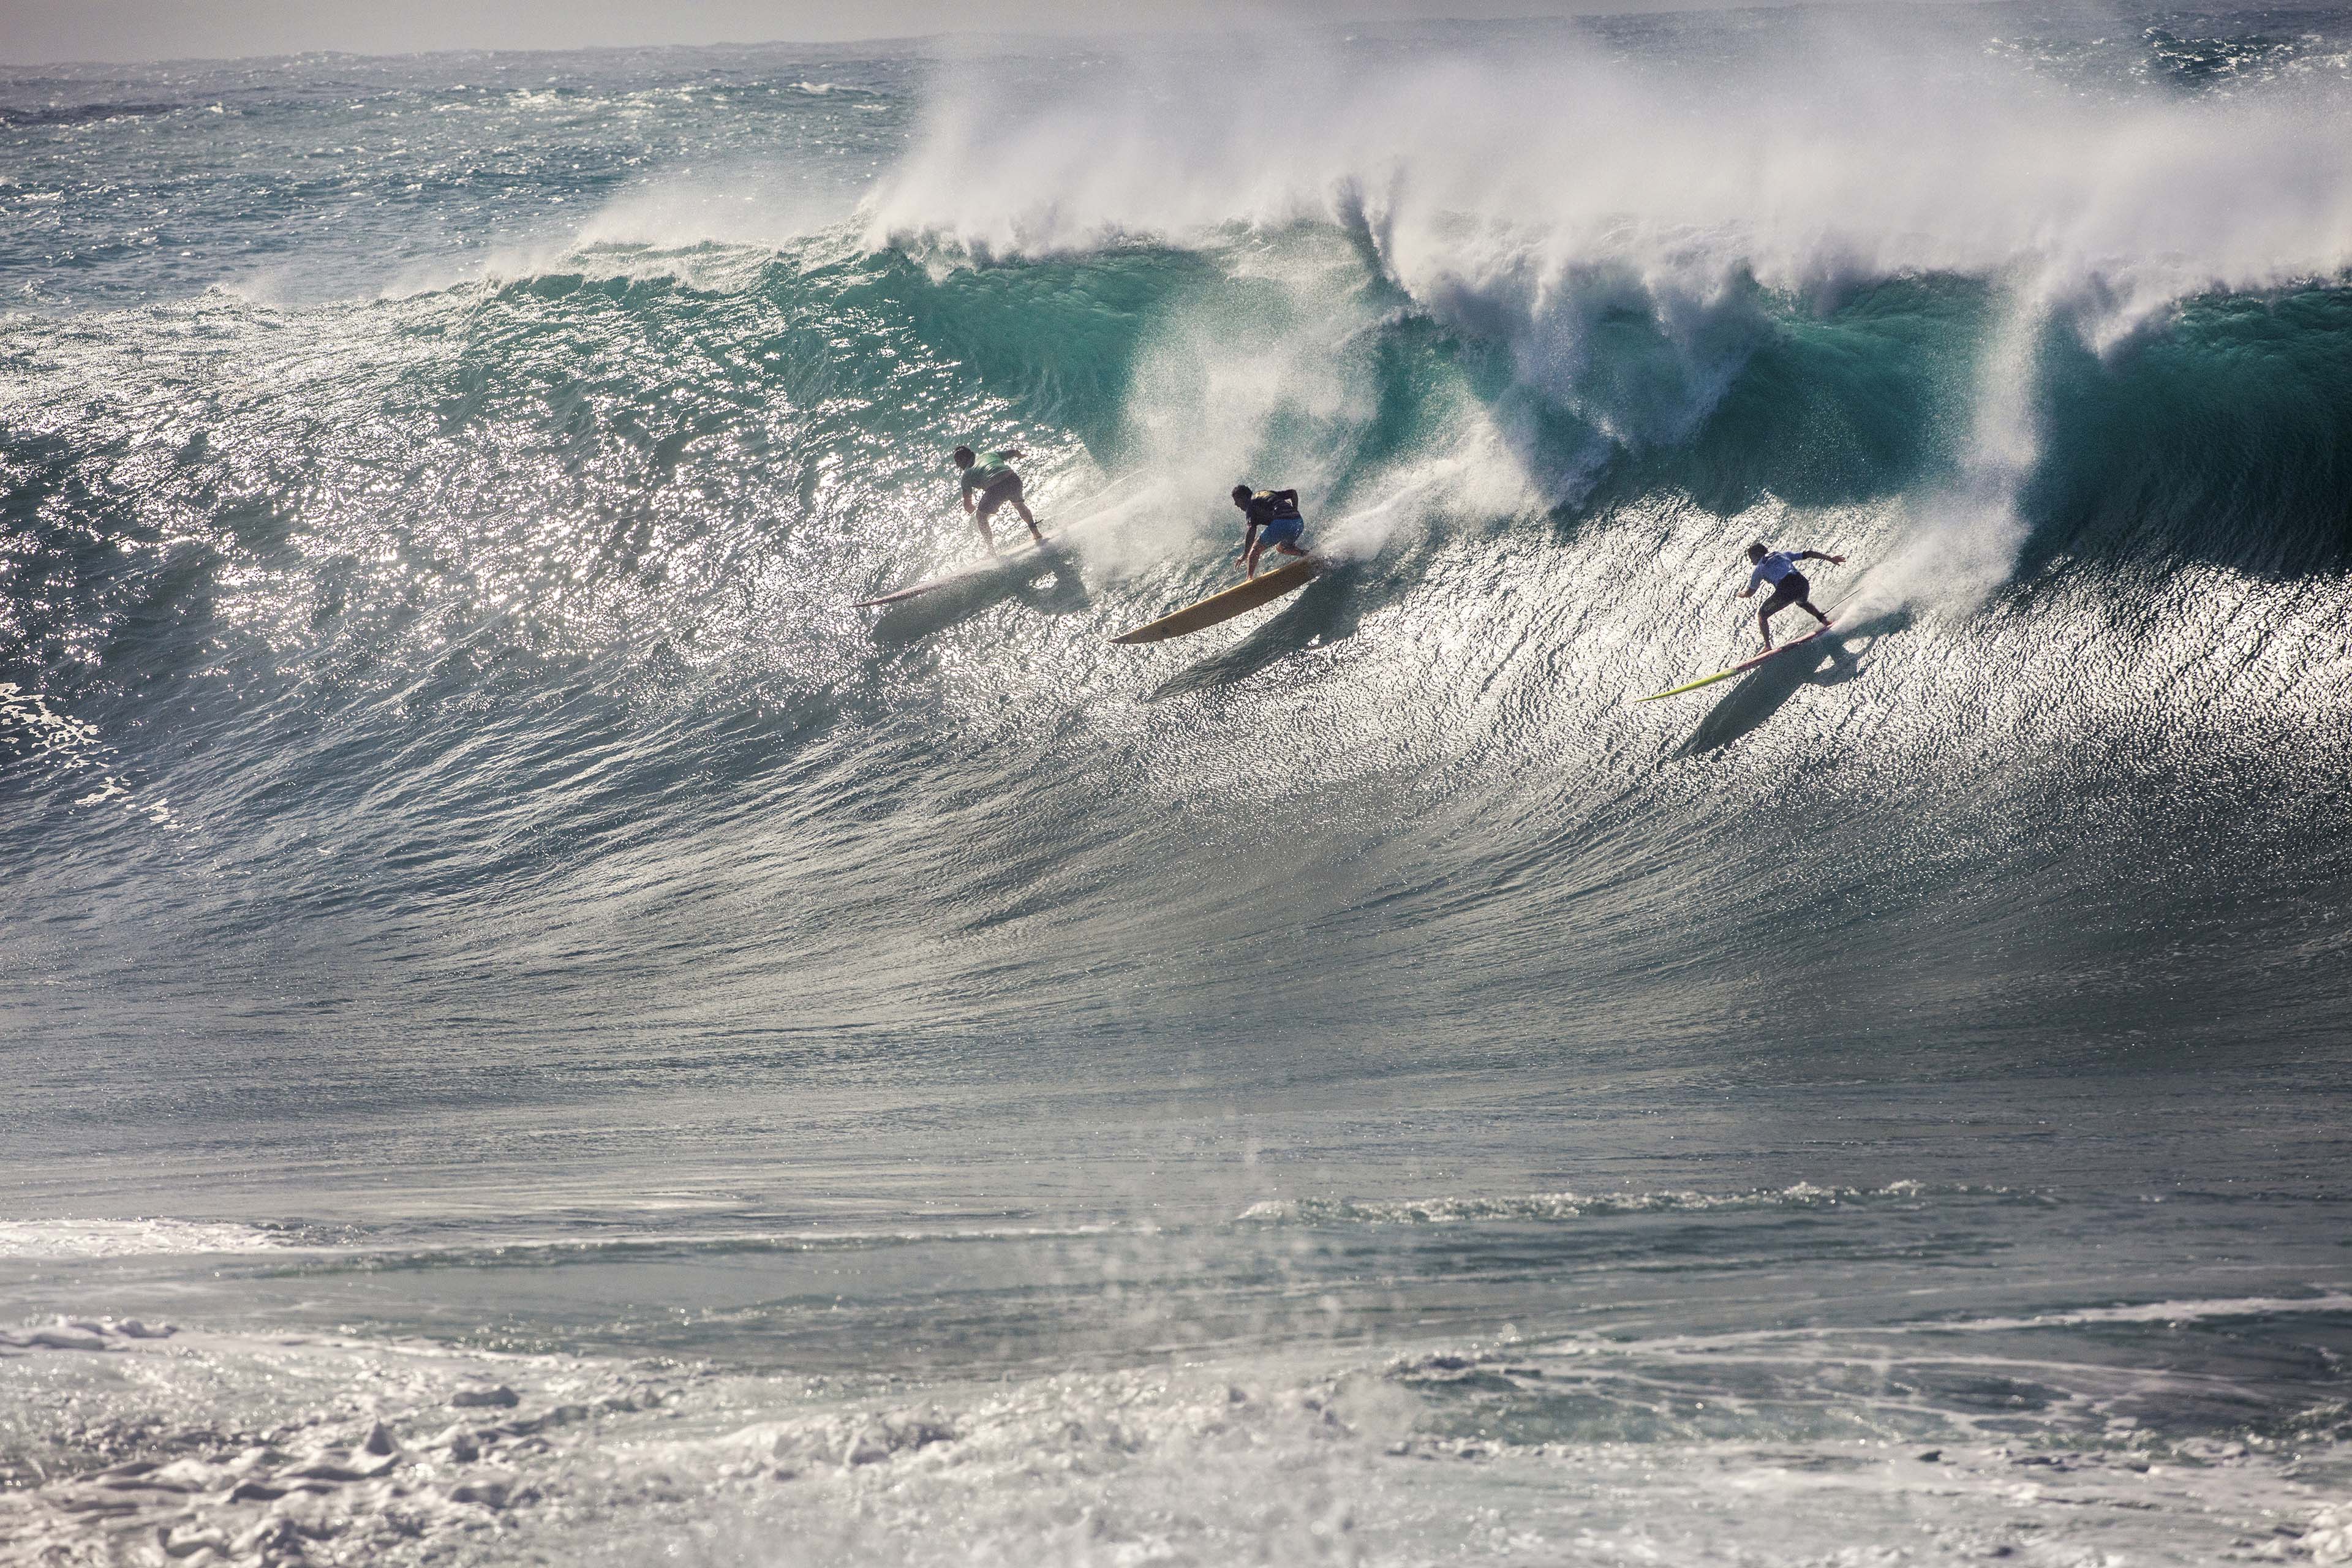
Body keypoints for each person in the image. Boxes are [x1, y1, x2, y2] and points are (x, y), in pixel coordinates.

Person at [1736, 541, 1845, 649]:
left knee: (1762, 615)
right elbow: (1808, 553)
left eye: (1751, 558)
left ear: (1757, 555)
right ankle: (1824, 621)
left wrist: (1743, 594)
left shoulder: (1759, 568)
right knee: (1802, 603)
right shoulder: (1782, 554)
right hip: (1802, 583)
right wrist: (1830, 558)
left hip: (1786, 588)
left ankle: (1767, 646)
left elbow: (1751, 592)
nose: (1751, 562)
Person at [953, 445, 1044, 553]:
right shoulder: (990, 454)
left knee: (981, 517)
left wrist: (970, 508)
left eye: (957, 461)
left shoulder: (967, 475)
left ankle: (991, 551)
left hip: (996, 487)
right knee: (1019, 505)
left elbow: (968, 504)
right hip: (1013, 479)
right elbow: (1014, 452)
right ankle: (1036, 533)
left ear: (963, 459)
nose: (957, 465)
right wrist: (1020, 456)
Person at [1231, 483, 1308, 580]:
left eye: (1237, 500)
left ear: (1244, 497)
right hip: (1298, 522)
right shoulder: (1264, 494)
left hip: (1283, 523)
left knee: (1255, 550)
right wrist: (1294, 511)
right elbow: (1293, 493)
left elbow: (1251, 529)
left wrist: (1245, 554)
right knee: (1282, 548)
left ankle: (1249, 579)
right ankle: (1307, 555)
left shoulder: (1250, 505)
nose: (1236, 504)